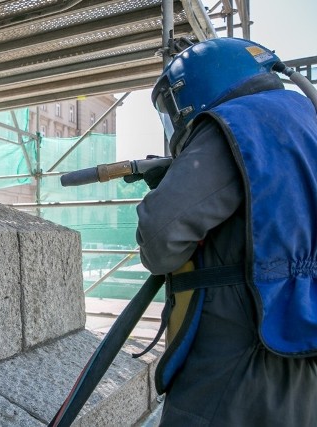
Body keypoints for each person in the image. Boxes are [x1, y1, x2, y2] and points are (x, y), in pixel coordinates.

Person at [129, 38, 317, 426]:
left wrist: (170, 186)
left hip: (239, 366)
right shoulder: (306, 118)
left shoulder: (237, 122)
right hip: (302, 344)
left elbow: (160, 239)